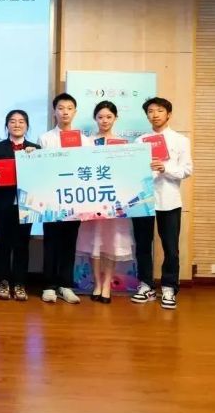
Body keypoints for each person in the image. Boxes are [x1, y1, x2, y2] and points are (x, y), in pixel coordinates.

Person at [131, 97, 193, 310]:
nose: (155, 114)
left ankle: (169, 287)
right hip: (144, 200)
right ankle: (146, 285)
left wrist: (165, 168)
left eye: (159, 110)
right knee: (142, 245)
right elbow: (132, 172)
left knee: (171, 247)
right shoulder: (140, 142)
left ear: (169, 114)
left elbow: (187, 170)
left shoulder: (180, 140)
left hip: (169, 199)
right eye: (150, 111)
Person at [76, 101, 134, 304]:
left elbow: (128, 173)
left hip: (114, 201)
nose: (104, 121)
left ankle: (107, 284)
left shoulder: (124, 144)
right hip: (92, 201)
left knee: (111, 243)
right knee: (93, 242)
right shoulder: (86, 143)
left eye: (109, 117)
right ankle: (97, 283)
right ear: (95, 118)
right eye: (100, 117)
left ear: (115, 118)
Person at [0, 110, 38, 301]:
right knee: (3, 242)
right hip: (2, 203)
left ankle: (20, 283)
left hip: (27, 204)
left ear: (27, 125)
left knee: (22, 244)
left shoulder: (35, 148)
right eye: (12, 121)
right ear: (7, 125)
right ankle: (4, 281)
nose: (17, 125)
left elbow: (41, 176)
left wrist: (35, 159)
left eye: (21, 121)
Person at [37, 93, 82, 304]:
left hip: (75, 200)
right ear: (54, 112)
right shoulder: (45, 139)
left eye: (69, 108)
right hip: (51, 200)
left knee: (69, 243)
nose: (65, 112)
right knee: (51, 243)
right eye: (61, 108)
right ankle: (48, 286)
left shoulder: (85, 140)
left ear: (75, 112)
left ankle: (66, 285)